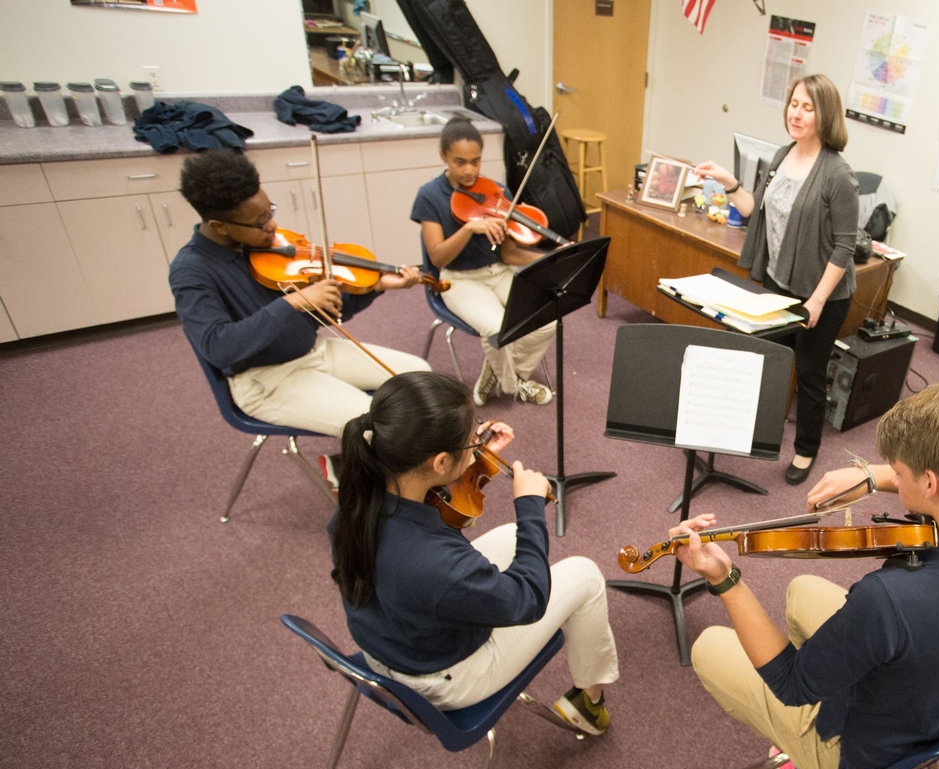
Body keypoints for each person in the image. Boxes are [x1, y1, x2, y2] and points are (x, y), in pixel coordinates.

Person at [679, 383, 939, 769]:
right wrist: (869, 474)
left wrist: (723, 577)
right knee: (801, 590)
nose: (891, 474)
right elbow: (925, 487)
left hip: (852, 754)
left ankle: (808, 764)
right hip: (931, 705)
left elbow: (790, 683)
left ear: (930, 483)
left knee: (709, 645)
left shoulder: (888, 600)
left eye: (898, 470)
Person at [328, 371, 617, 732]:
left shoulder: (358, 500)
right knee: (586, 574)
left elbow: (440, 509)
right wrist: (529, 508)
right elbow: (527, 600)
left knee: (513, 537)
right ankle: (589, 705)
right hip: (441, 678)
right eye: (469, 444)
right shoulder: (437, 564)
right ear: (439, 462)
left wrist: (475, 464)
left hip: (387, 642)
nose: (475, 445)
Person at [169, 150, 429, 484]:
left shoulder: (268, 246)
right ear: (219, 225)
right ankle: (354, 476)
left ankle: (353, 465)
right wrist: (292, 303)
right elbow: (218, 348)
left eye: (270, 211)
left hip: (313, 351)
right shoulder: (191, 271)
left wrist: (375, 286)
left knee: (421, 377)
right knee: (373, 424)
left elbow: (327, 312)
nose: (272, 226)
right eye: (260, 222)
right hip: (267, 380)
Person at [695, 74, 860, 485]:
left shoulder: (838, 175)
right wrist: (729, 183)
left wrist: (818, 300)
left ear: (825, 116)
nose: (797, 113)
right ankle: (752, 431)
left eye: (808, 107)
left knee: (808, 369)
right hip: (778, 280)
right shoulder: (783, 154)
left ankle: (806, 450)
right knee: (767, 358)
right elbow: (758, 211)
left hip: (823, 292)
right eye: (793, 104)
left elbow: (845, 246)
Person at [412, 119, 556, 407]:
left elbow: (510, 255)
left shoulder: (496, 192)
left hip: (498, 272)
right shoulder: (429, 196)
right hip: (456, 279)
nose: (469, 170)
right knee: (496, 329)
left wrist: (551, 257)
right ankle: (517, 385)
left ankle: (497, 370)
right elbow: (437, 258)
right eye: (460, 162)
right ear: (444, 156)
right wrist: (468, 229)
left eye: (475, 161)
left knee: (547, 315)